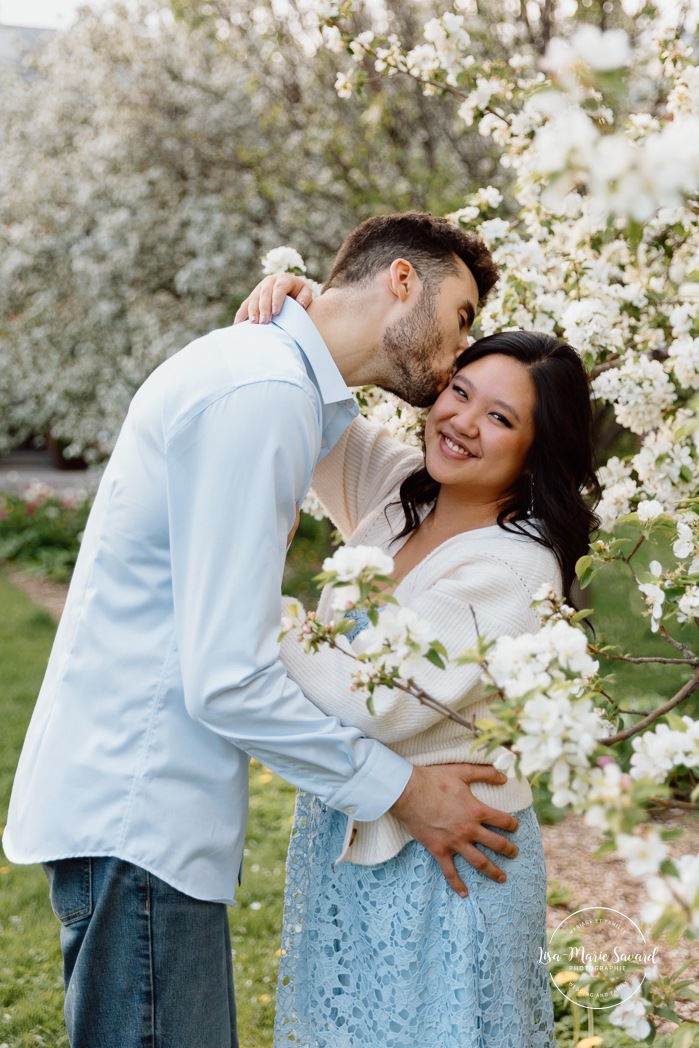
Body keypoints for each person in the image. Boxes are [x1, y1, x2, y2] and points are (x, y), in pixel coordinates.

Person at [1, 212, 528, 1048]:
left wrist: (303, 304)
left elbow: (340, 442)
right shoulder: (263, 393)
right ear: (400, 280)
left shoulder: (276, 379)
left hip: (147, 814)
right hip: (143, 811)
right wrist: (401, 793)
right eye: (460, 318)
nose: (458, 356)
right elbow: (227, 674)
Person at [239, 279, 600, 1045]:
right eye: (458, 392)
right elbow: (314, 402)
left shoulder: (514, 569)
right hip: (363, 829)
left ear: (536, 450)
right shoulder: (403, 492)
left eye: (498, 417)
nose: (461, 423)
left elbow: (366, 697)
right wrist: (302, 305)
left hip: (449, 864)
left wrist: (238, 601)